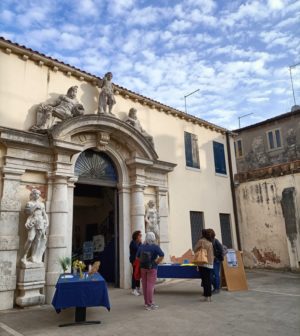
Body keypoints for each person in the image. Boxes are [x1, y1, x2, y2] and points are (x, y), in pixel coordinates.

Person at [136, 232, 164, 310]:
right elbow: (162, 255)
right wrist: (156, 262)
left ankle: (146, 303)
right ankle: (150, 304)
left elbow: (137, 258)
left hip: (143, 268)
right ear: (153, 238)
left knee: (145, 286)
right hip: (152, 268)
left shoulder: (141, 246)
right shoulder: (155, 247)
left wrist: (143, 262)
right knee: (150, 286)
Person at [21, 189, 49, 264]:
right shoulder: (29, 203)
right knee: (30, 239)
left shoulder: (42, 204)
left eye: (38, 194)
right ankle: (24, 256)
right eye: (35, 194)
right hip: (32, 221)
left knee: (38, 240)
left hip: (40, 222)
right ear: (32, 195)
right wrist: (35, 206)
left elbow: (44, 214)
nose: (37, 195)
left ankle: (33, 256)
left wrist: (47, 221)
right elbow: (27, 212)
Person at [194, 229, 214, 302]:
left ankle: (206, 296)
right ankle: (209, 297)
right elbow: (211, 253)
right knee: (208, 280)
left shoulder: (201, 241)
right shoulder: (210, 242)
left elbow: (195, 249)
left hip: (202, 262)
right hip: (210, 263)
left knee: (204, 280)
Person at [208, 229, 224, 294]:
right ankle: (216, 287)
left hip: (216, 260)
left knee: (216, 274)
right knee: (210, 275)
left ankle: (217, 288)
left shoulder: (216, 241)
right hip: (210, 261)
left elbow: (221, 250)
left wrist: (215, 256)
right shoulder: (208, 241)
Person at [129, 230, 142, 296]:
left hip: (139, 260)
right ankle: (133, 289)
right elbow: (139, 250)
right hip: (134, 260)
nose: (141, 237)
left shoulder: (139, 243)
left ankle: (138, 288)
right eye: (140, 235)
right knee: (135, 273)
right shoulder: (133, 243)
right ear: (136, 236)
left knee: (138, 273)